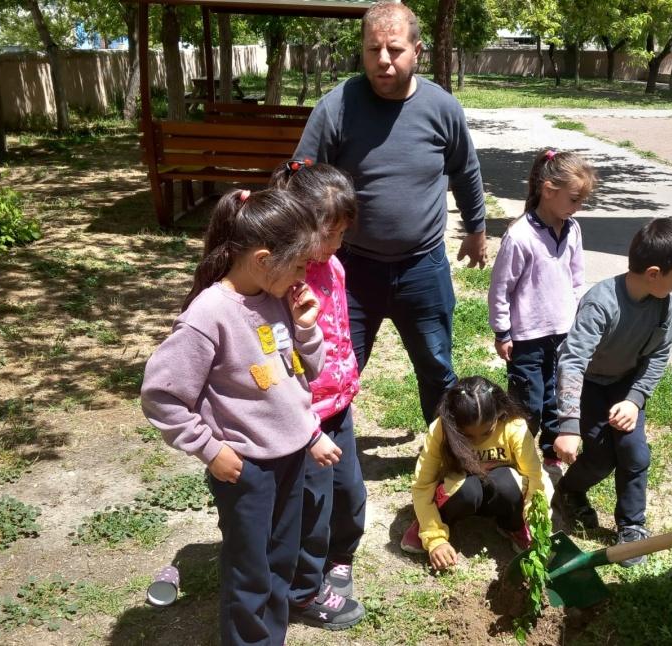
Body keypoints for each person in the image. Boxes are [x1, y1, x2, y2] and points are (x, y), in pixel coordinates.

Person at [140, 189, 332, 646]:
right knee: (251, 570)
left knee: (281, 559)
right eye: (302, 263)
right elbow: (161, 396)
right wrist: (210, 449)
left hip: (290, 456)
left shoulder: (278, 296)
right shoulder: (208, 315)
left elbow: (306, 371)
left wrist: (306, 328)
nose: (309, 274)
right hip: (247, 468)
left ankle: (272, 637)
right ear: (264, 259)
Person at [293, 0, 488, 424]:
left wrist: (476, 229)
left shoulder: (442, 108)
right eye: (372, 49)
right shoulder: (337, 106)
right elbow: (301, 178)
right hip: (351, 268)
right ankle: (323, 453)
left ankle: (445, 451)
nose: (382, 60)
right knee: (334, 367)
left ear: (417, 51)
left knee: (436, 366)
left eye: (394, 49)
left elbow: (465, 170)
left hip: (424, 267)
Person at [553, 218, 672, 566]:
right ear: (653, 273)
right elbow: (572, 362)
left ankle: (632, 527)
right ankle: (570, 490)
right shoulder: (601, 304)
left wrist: (634, 399)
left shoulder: (663, 301)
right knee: (601, 456)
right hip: (590, 384)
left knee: (634, 452)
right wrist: (569, 426)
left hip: (624, 385)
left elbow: (659, 353)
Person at [269, 161, 368, 631]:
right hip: (303, 417)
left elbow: (342, 333)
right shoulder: (281, 282)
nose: (337, 245)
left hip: (338, 405)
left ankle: (339, 557)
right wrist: (306, 427)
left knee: (348, 493)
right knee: (312, 505)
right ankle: (303, 591)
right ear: (298, 226)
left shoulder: (333, 266)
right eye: (331, 234)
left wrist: (347, 381)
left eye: (342, 234)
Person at [488, 149, 594, 481]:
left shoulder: (572, 229)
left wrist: (577, 320)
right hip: (527, 339)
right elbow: (501, 289)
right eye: (574, 199)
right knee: (526, 402)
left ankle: (551, 454)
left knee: (556, 396)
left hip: (563, 334)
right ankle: (514, 454)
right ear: (548, 190)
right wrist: (503, 331)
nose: (578, 207)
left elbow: (577, 279)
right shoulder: (520, 236)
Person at [399, 376, 549, 569]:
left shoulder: (514, 427)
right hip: (459, 490)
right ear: (453, 423)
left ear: (500, 414)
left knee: (508, 484)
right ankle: (432, 523)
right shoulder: (441, 429)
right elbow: (423, 485)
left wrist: (535, 519)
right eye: (468, 436)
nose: (477, 440)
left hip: (499, 486)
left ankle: (513, 525)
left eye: (487, 433)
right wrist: (435, 539)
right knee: (467, 491)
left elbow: (535, 478)